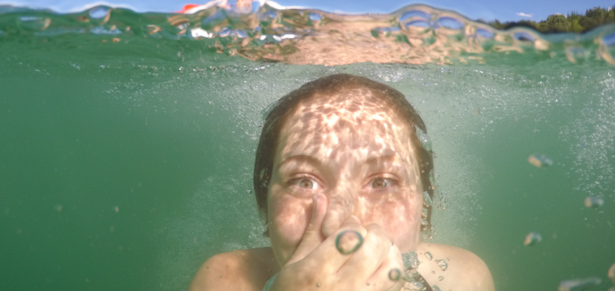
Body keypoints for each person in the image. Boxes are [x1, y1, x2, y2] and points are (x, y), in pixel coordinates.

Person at [189, 74, 494, 291]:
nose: (340, 225)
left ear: (424, 204)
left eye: (382, 182)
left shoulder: (463, 278)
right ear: (265, 200)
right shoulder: (225, 281)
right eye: (304, 182)